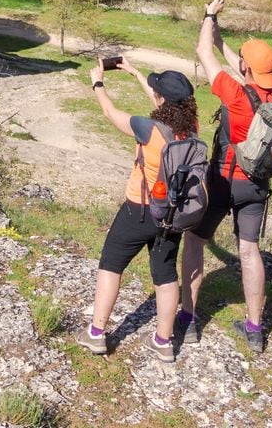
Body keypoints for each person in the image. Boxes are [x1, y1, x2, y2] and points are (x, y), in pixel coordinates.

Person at [178, 0, 272, 353]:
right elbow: (244, 72)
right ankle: (254, 329)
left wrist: (208, 15)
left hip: (223, 181)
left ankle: (188, 320)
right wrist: (221, 38)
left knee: (195, 241)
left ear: (244, 67)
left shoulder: (236, 95)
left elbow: (202, 51)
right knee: (249, 251)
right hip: (257, 185)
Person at [78, 57, 199, 363]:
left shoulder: (147, 128)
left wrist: (98, 82)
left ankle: (96, 334)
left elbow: (109, 112)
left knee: (111, 265)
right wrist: (134, 73)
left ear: (161, 100)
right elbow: (162, 102)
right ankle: (163, 342)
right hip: (171, 216)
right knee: (165, 275)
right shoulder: (191, 130)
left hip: (139, 210)